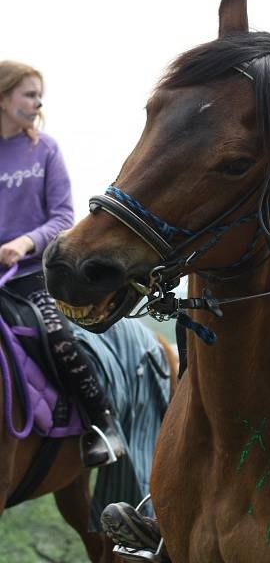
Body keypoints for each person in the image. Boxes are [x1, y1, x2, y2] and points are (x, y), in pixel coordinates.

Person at [0, 60, 125, 468]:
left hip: (28, 272)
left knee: (57, 337)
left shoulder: (45, 150)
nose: (37, 103)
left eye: (40, 97)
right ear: (4, 98)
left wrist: (24, 241)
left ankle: (103, 425)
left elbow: (61, 219)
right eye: (29, 94)